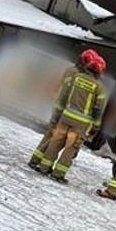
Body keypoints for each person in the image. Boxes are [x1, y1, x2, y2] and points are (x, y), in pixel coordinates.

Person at [30, 49, 107, 181]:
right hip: (81, 123)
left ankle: (43, 167)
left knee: (55, 141)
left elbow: (64, 95)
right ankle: (58, 174)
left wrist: (59, 112)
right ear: (100, 72)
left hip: (66, 115)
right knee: (70, 148)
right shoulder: (99, 88)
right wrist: (96, 126)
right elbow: (97, 110)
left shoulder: (76, 77)